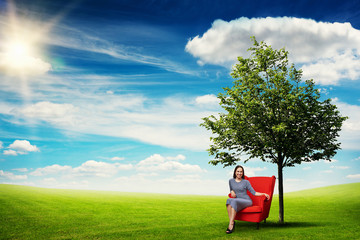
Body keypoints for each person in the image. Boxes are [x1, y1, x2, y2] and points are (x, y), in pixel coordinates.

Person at [226, 165, 270, 234]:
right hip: (237, 200)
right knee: (228, 200)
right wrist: (231, 191)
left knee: (233, 201)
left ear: (243, 173)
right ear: (235, 172)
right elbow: (231, 189)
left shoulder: (246, 182)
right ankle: (232, 221)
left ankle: (231, 224)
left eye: (241, 172)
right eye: (238, 171)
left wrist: (263, 194)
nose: (239, 173)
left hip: (247, 201)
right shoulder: (231, 181)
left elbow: (254, 193)